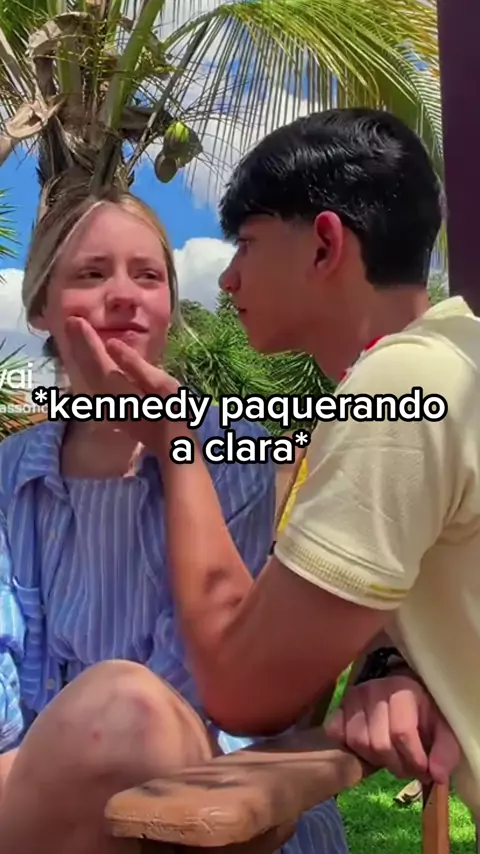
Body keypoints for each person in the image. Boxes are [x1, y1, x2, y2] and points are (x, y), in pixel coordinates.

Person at [0, 182, 454, 854]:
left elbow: (214, 689)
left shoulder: (233, 456)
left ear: (168, 305)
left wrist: (174, 446)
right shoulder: (10, 475)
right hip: (39, 799)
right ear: (40, 307)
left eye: (147, 276)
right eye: (91, 274)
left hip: (212, 792)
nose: (123, 295)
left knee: (120, 708)